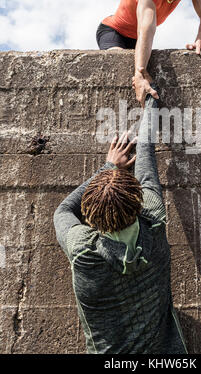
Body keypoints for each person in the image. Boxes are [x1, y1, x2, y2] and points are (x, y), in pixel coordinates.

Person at [53, 86, 188, 354]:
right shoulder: (154, 221)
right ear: (136, 200)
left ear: (90, 215)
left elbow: (64, 211)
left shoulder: (83, 250)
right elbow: (146, 154)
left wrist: (110, 166)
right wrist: (149, 101)